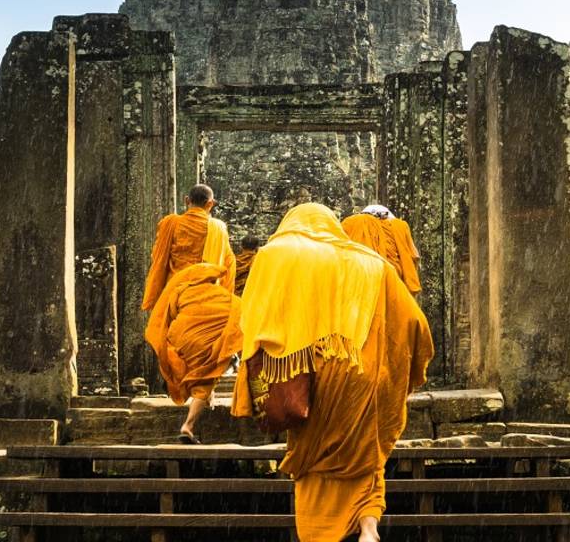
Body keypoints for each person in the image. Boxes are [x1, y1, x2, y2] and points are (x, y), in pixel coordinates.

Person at [232, 203, 434, 542]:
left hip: (313, 374)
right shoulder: (373, 264)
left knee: (314, 461)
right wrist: (402, 370)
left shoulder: (279, 254)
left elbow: (256, 320)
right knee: (366, 452)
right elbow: (415, 323)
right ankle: (367, 528)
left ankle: (320, 533)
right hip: (365, 375)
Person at [143, 184, 239, 442]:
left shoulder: (171, 223)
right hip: (208, 297)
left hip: (178, 298)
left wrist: (157, 298)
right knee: (211, 357)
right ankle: (192, 416)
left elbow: (159, 261)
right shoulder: (218, 228)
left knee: (180, 350)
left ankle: (188, 392)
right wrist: (224, 298)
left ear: (186, 201)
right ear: (211, 204)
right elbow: (228, 267)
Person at [341, 204, 422, 295]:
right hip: (392, 285)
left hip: (360, 284)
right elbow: (411, 261)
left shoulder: (351, 223)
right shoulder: (399, 227)